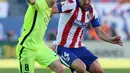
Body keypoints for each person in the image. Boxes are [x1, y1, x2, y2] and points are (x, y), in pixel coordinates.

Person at [51, 0, 123, 73]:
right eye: (84, 0)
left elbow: (99, 32)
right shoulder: (71, 4)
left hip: (79, 47)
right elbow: (52, 9)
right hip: (63, 47)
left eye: (89, 0)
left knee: (98, 70)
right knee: (81, 68)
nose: (87, 2)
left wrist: (110, 39)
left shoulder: (92, 12)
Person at [16, 0, 64, 73]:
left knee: (59, 69)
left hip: (39, 46)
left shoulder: (49, 8)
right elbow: (32, 2)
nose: (54, 1)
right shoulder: (40, 3)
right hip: (27, 47)